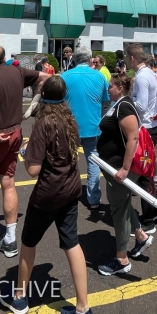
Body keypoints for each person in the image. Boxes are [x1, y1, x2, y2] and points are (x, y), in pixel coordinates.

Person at [0, 76, 93, 314]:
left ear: (43, 95)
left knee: (28, 242)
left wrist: (25, 153)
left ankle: (20, 297)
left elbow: (33, 170)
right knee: (72, 242)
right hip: (71, 188)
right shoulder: (70, 119)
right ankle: (83, 307)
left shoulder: (43, 123)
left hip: (48, 194)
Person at [0, 45, 49, 258]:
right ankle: (10, 237)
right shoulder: (17, 71)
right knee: (8, 182)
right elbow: (45, 76)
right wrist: (36, 101)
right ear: (4, 57)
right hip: (15, 132)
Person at [96, 73, 154, 275]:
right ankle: (141, 236)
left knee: (119, 211)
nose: (108, 89)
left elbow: (133, 138)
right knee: (123, 204)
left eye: (111, 86)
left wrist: (125, 169)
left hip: (119, 169)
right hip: (113, 167)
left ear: (120, 88)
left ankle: (122, 259)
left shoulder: (125, 107)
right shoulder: (119, 105)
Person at [127, 44, 157, 232]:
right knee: (146, 172)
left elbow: (142, 106)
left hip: (144, 127)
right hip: (151, 126)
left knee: (143, 175)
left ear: (132, 58)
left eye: (127, 58)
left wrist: (126, 102)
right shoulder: (150, 74)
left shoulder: (142, 77)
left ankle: (149, 218)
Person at [63, 46, 109, 211]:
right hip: (93, 125)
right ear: (90, 59)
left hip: (69, 126)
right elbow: (106, 101)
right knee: (93, 161)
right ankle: (93, 198)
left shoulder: (65, 76)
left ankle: (67, 195)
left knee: (68, 161)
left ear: (75, 59)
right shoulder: (99, 76)